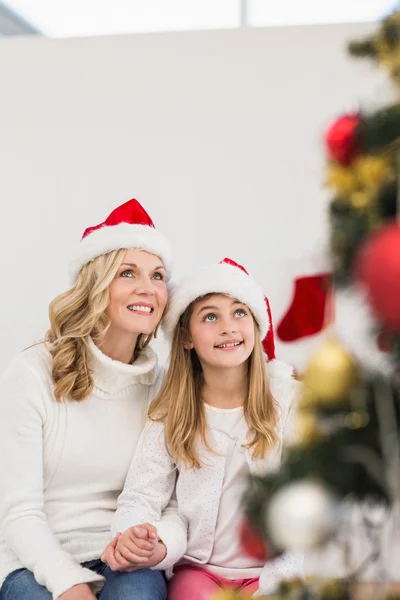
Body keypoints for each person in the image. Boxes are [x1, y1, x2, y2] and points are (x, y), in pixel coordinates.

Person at [0, 199, 186, 600]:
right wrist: (69, 583)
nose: (148, 288)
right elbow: (18, 513)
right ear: (96, 286)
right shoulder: (31, 374)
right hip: (33, 559)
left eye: (157, 276)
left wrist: (160, 544)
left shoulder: (166, 387)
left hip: (122, 558)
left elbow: (176, 504)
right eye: (128, 273)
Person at [105, 257, 302, 599]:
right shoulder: (173, 413)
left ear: (256, 327)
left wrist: (279, 581)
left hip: (277, 571)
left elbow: (313, 499)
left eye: (239, 313)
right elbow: (142, 495)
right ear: (186, 338)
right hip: (199, 571)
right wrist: (134, 536)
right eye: (210, 316)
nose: (228, 327)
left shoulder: (289, 402)